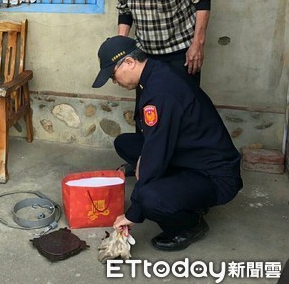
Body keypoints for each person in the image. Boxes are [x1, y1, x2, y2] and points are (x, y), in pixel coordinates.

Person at [92, 36, 243, 251]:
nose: (114, 81)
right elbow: (157, 139)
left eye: (112, 75)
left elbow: (157, 150)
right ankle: (178, 189)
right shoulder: (155, 73)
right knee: (125, 143)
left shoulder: (160, 92)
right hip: (189, 154)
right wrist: (144, 158)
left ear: (129, 62)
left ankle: (191, 225)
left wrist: (133, 213)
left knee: (148, 197)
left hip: (214, 176)